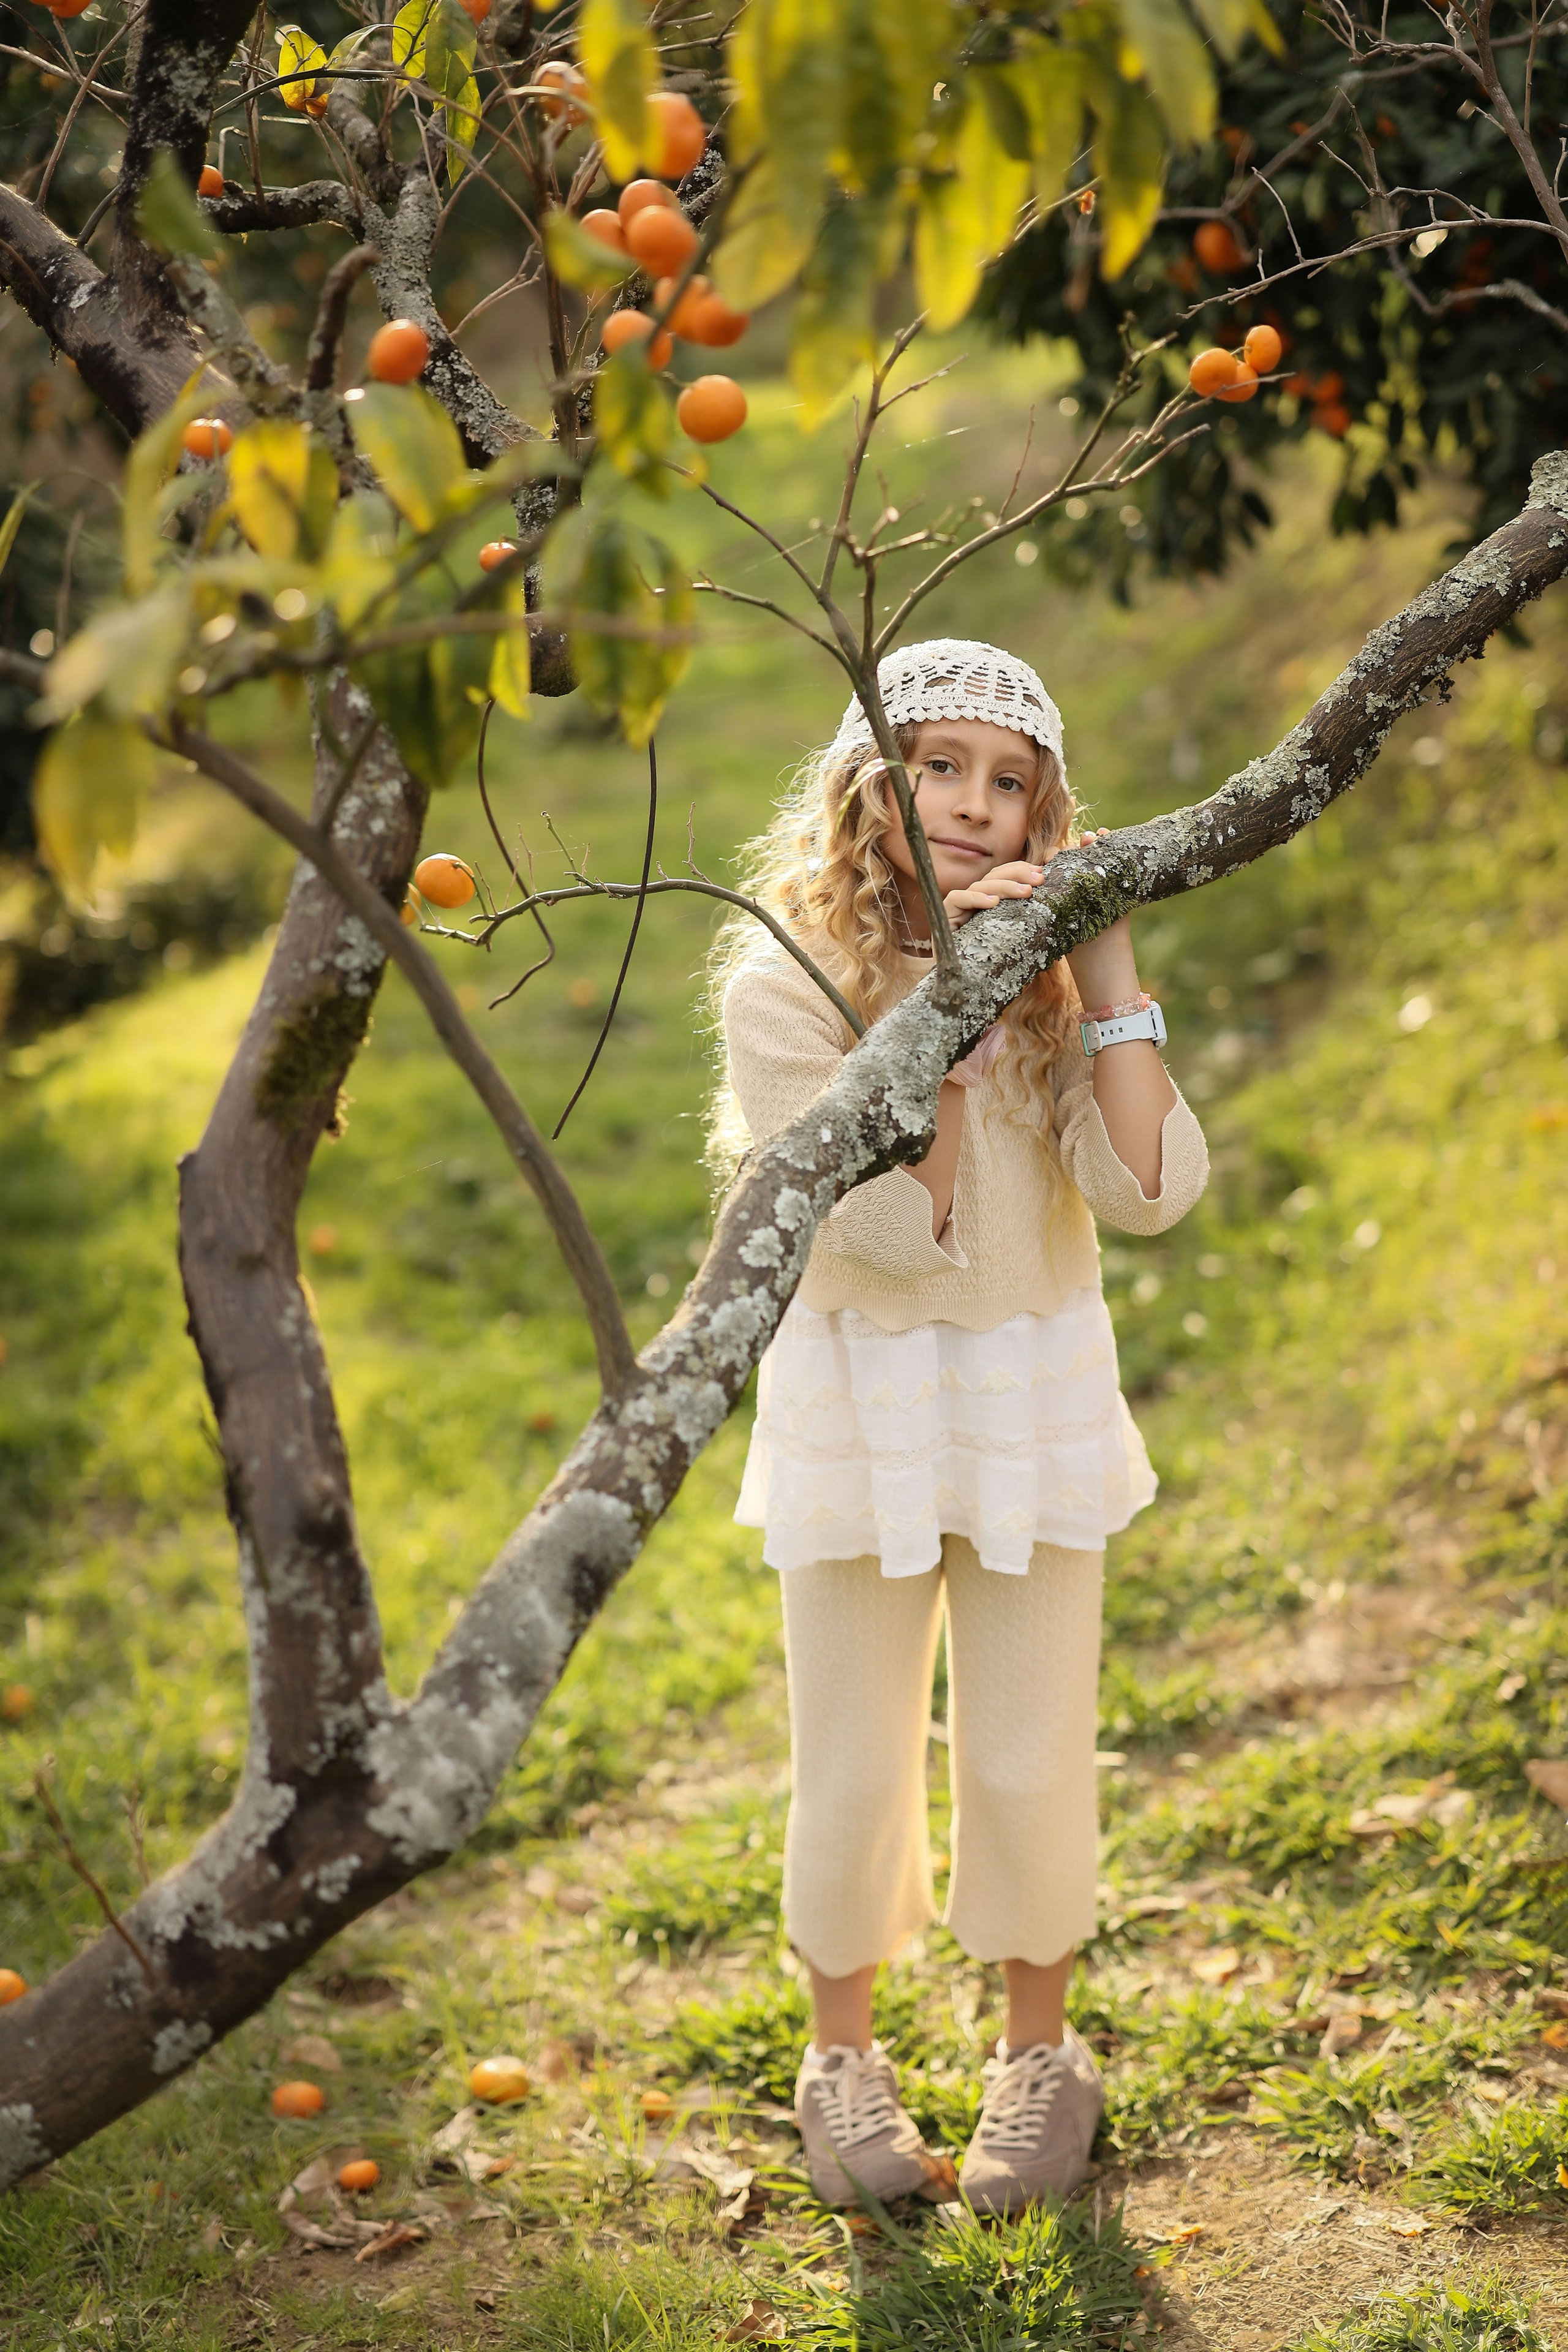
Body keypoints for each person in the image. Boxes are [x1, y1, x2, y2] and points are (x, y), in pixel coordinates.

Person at [708, 639, 1209, 2215]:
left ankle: (1038, 2053)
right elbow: (865, 1234)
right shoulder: (780, 978)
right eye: (938, 768)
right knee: (851, 1762)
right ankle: (839, 2053)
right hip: (862, 1402)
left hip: (1025, 1398)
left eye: (1009, 784)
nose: (973, 808)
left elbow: (1143, 1194)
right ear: (872, 780)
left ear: (1046, 813)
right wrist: (944, 1015)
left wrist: (1101, 977)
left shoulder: (1057, 975)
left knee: (1022, 1744)